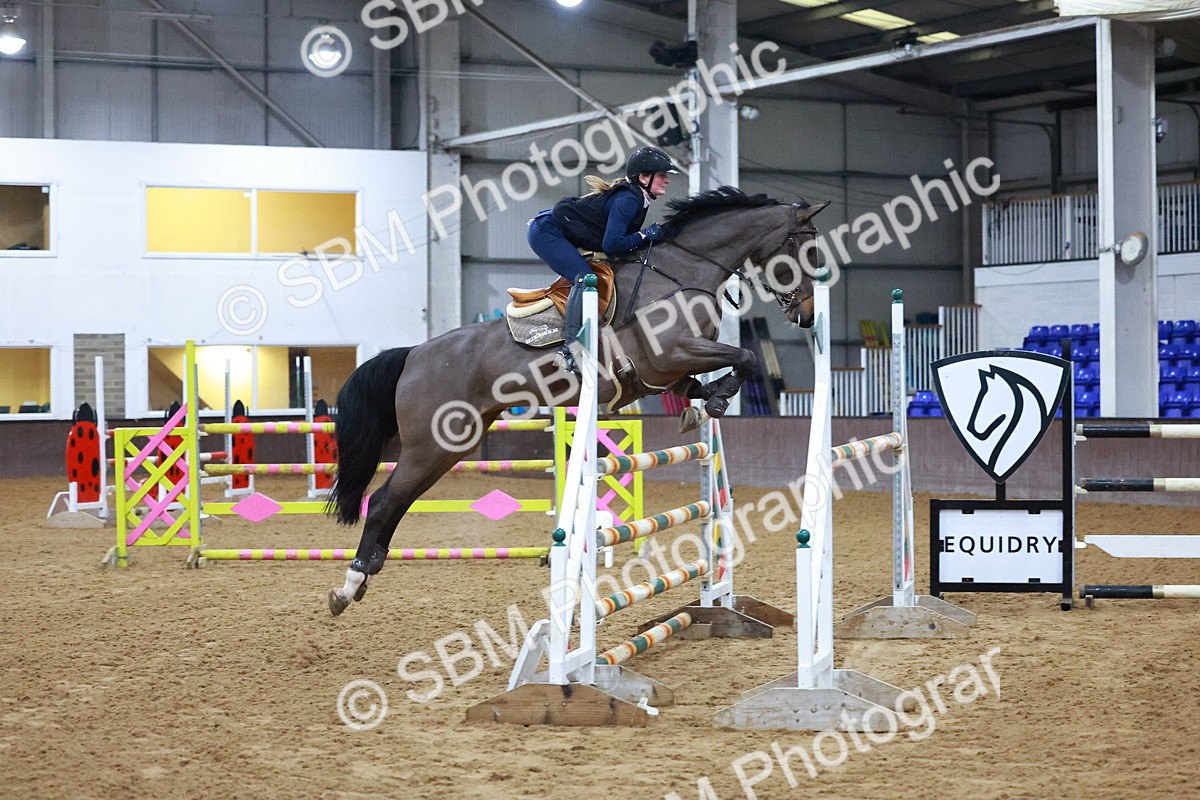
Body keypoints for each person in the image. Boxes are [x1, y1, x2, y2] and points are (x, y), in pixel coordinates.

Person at [528, 145, 680, 374]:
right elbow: (612, 245)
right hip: (546, 231)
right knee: (585, 278)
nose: (667, 180)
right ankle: (569, 349)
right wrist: (643, 235)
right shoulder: (629, 200)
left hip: (560, 230)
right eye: (662, 175)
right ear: (644, 178)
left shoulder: (638, 198)